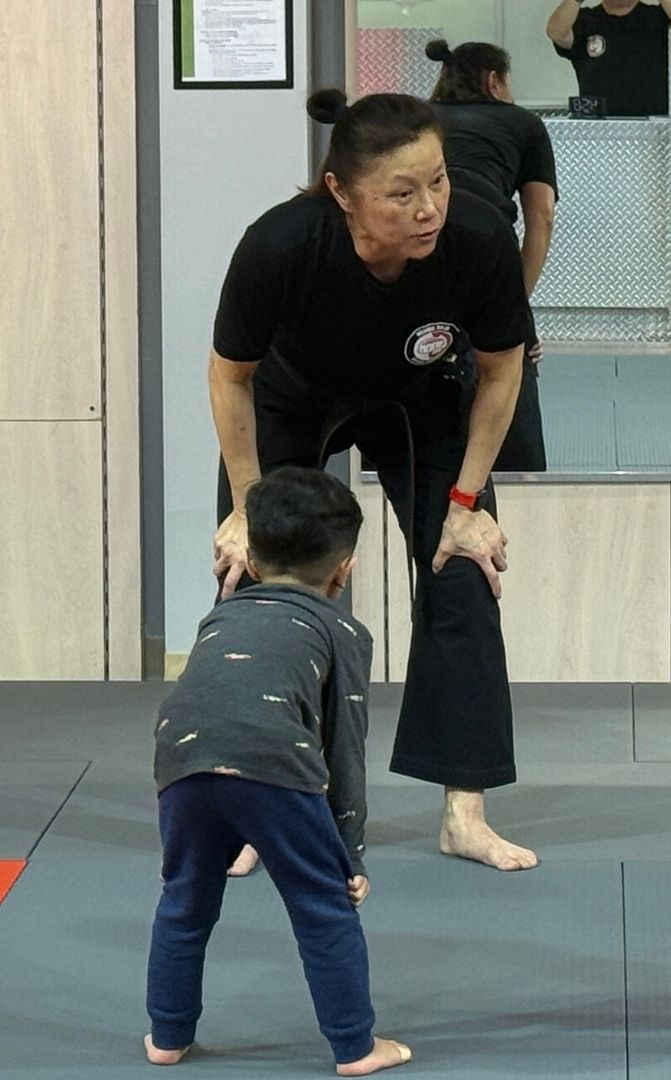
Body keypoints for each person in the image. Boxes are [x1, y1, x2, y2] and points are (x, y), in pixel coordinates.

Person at [210, 91, 538, 873]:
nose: (428, 208)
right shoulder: (281, 245)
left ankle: (465, 810)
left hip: (420, 405)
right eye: (402, 192)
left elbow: (500, 372)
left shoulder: (478, 239)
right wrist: (248, 510)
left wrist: (465, 507)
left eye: (438, 182)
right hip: (295, 398)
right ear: (342, 192)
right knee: (260, 589)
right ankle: (264, 804)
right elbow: (230, 379)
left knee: (465, 574)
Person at [145, 467, 410, 1075]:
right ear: (345, 567)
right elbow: (344, 745)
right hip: (272, 765)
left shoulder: (219, 615)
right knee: (321, 906)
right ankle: (355, 1046)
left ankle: (167, 1036)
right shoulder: (340, 629)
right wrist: (351, 855)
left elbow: (215, 700)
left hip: (179, 759)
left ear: (253, 560)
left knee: (184, 900)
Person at [426, 37, 559, 471]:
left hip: (419, 251)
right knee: (506, 370)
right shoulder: (522, 123)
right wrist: (516, 303)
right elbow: (541, 218)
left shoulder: (419, 119)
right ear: (494, 80)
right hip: (488, 249)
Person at [545, 0, 671, 117]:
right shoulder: (585, 20)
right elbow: (556, 33)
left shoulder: (658, 17)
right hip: (596, 129)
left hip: (654, 128)